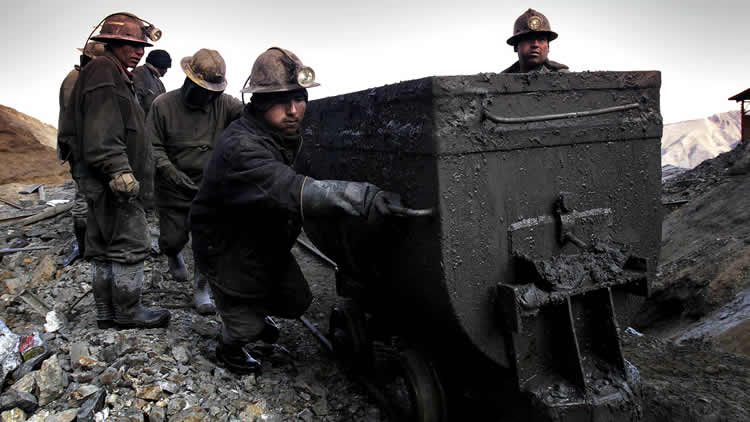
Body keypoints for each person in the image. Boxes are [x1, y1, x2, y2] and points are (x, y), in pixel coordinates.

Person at [190, 47, 407, 374]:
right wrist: (363, 198)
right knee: (245, 329)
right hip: (227, 246)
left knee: (296, 302)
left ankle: (250, 311)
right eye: (281, 102)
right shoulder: (241, 147)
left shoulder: (279, 132)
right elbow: (291, 189)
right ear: (259, 104)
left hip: (262, 238)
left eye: (299, 99)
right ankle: (228, 345)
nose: (293, 111)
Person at [63, 12, 170, 329]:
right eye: (131, 44)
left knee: (104, 246)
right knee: (130, 245)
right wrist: (118, 169)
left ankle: (106, 313)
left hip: (101, 181)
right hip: (114, 182)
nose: (139, 51)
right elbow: (103, 127)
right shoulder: (105, 72)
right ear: (112, 43)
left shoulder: (110, 72)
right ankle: (126, 311)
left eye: (142, 46)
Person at [146, 48, 243, 314]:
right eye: (205, 90)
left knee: (208, 240)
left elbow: (253, 120)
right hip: (172, 187)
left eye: (215, 91)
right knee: (173, 238)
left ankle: (202, 287)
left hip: (209, 189)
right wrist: (172, 174)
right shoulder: (162, 105)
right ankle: (173, 252)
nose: (211, 96)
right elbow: (153, 147)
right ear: (190, 81)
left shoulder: (226, 104)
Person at [57, 41, 105, 262]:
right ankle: (85, 247)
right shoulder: (75, 81)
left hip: (86, 147)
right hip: (80, 149)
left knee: (90, 196)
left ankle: (91, 242)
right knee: (83, 198)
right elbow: (77, 120)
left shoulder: (82, 78)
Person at [502, 8, 569, 74]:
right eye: (528, 39)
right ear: (516, 46)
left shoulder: (563, 77)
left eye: (541, 39)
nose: (535, 44)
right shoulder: (501, 80)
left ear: (548, 46)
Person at [133, 49, 170, 115]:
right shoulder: (139, 74)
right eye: (166, 67)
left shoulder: (159, 82)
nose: (166, 71)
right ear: (162, 65)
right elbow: (135, 104)